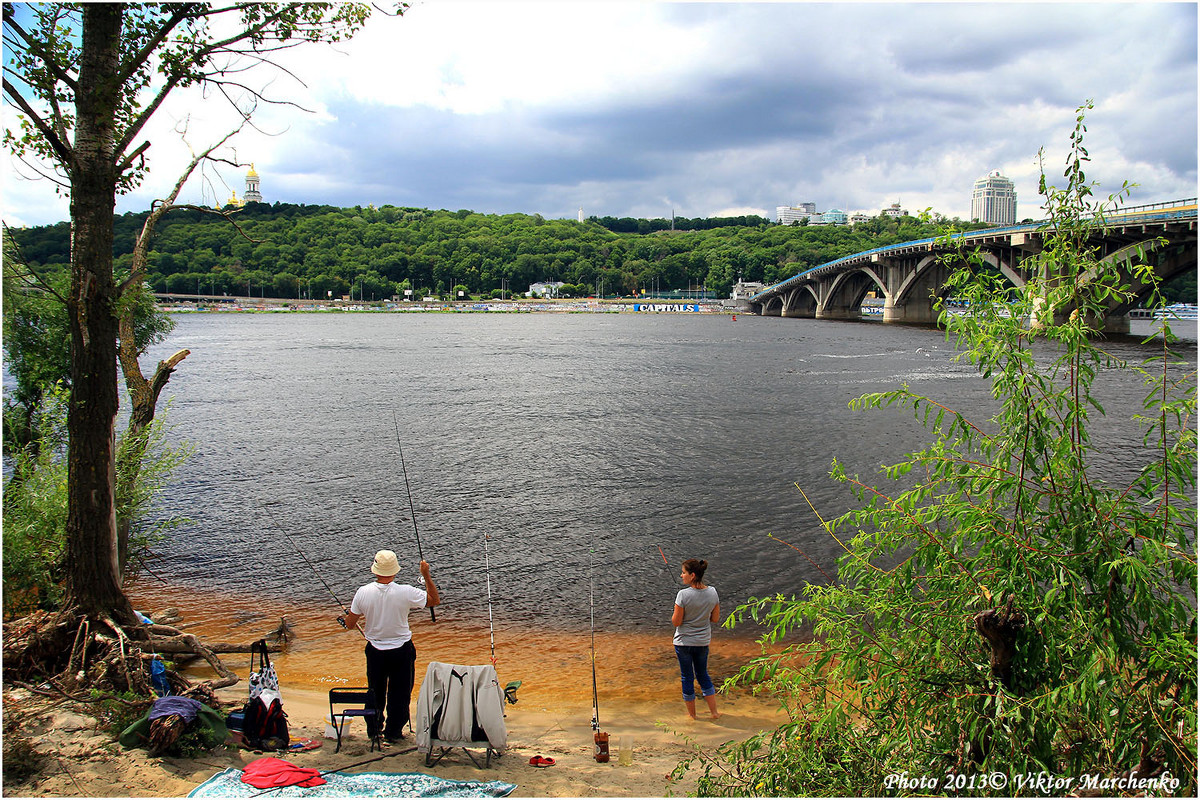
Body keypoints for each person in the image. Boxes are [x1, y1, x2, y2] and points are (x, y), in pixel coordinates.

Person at [342, 550, 439, 743]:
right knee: (400, 693)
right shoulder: (405, 592)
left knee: (375, 691)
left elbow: (350, 624)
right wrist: (426, 575)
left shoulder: (363, 592)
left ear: (375, 569)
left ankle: (374, 731)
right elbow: (433, 600)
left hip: (375, 652)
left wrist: (347, 616)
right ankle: (393, 732)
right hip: (402, 650)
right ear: (395, 570)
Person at [671, 558, 721, 720]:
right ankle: (714, 713)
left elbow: (676, 622)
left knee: (687, 677)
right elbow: (715, 619)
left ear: (692, 575)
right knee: (703, 675)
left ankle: (692, 716)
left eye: (684, 573)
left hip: (683, 643)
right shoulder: (713, 592)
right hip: (702, 642)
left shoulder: (682, 595)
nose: (681, 575)